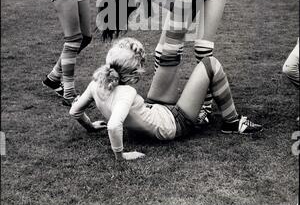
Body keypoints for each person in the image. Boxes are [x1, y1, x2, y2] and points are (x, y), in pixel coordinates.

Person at [69, 37, 263, 161]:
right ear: (133, 74)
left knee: (170, 51)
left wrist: (90, 126)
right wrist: (121, 155)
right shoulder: (126, 93)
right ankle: (232, 122)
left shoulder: (95, 84)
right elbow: (113, 125)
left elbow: (75, 111)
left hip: (153, 113)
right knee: (210, 64)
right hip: (175, 123)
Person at [100, 0, 227, 122]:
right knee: (162, 51)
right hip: (186, 0)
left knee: (203, 49)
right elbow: (177, 7)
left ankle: (206, 107)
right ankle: (164, 100)